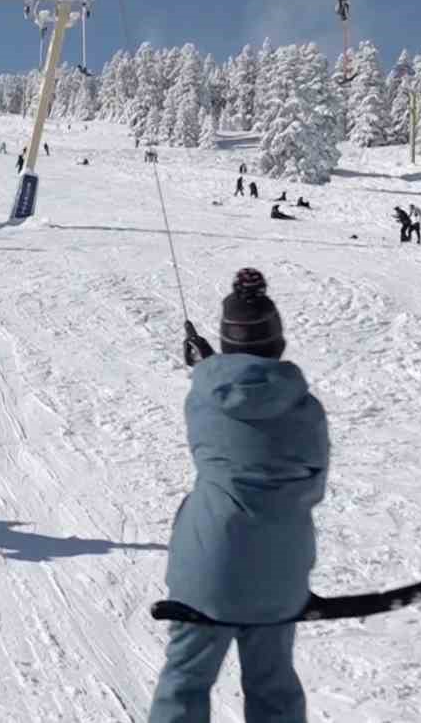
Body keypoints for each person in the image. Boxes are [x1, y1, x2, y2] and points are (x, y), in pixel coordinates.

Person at [152, 269, 327, 723]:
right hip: (279, 571)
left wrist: (209, 363)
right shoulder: (306, 409)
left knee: (185, 684)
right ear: (278, 343)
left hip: (208, 568)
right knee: (273, 688)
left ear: (227, 344)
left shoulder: (203, 398)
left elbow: (226, 398)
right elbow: (313, 483)